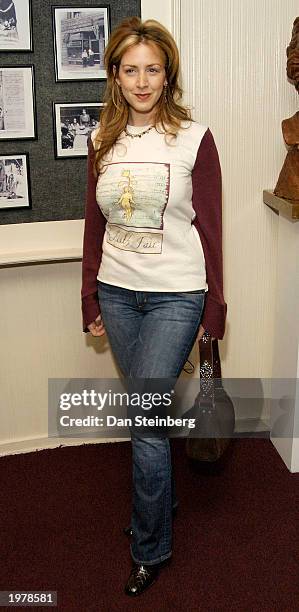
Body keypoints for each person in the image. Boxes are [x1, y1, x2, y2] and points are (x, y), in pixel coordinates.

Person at [81, 17, 227, 597]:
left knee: (143, 419)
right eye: (130, 69)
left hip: (177, 292)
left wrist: (216, 308)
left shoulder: (195, 138)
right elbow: (95, 228)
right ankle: (157, 510)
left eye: (153, 70)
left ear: (168, 77)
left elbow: (212, 231)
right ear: (115, 77)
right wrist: (89, 293)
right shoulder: (101, 141)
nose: (142, 81)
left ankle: (149, 547)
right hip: (117, 291)